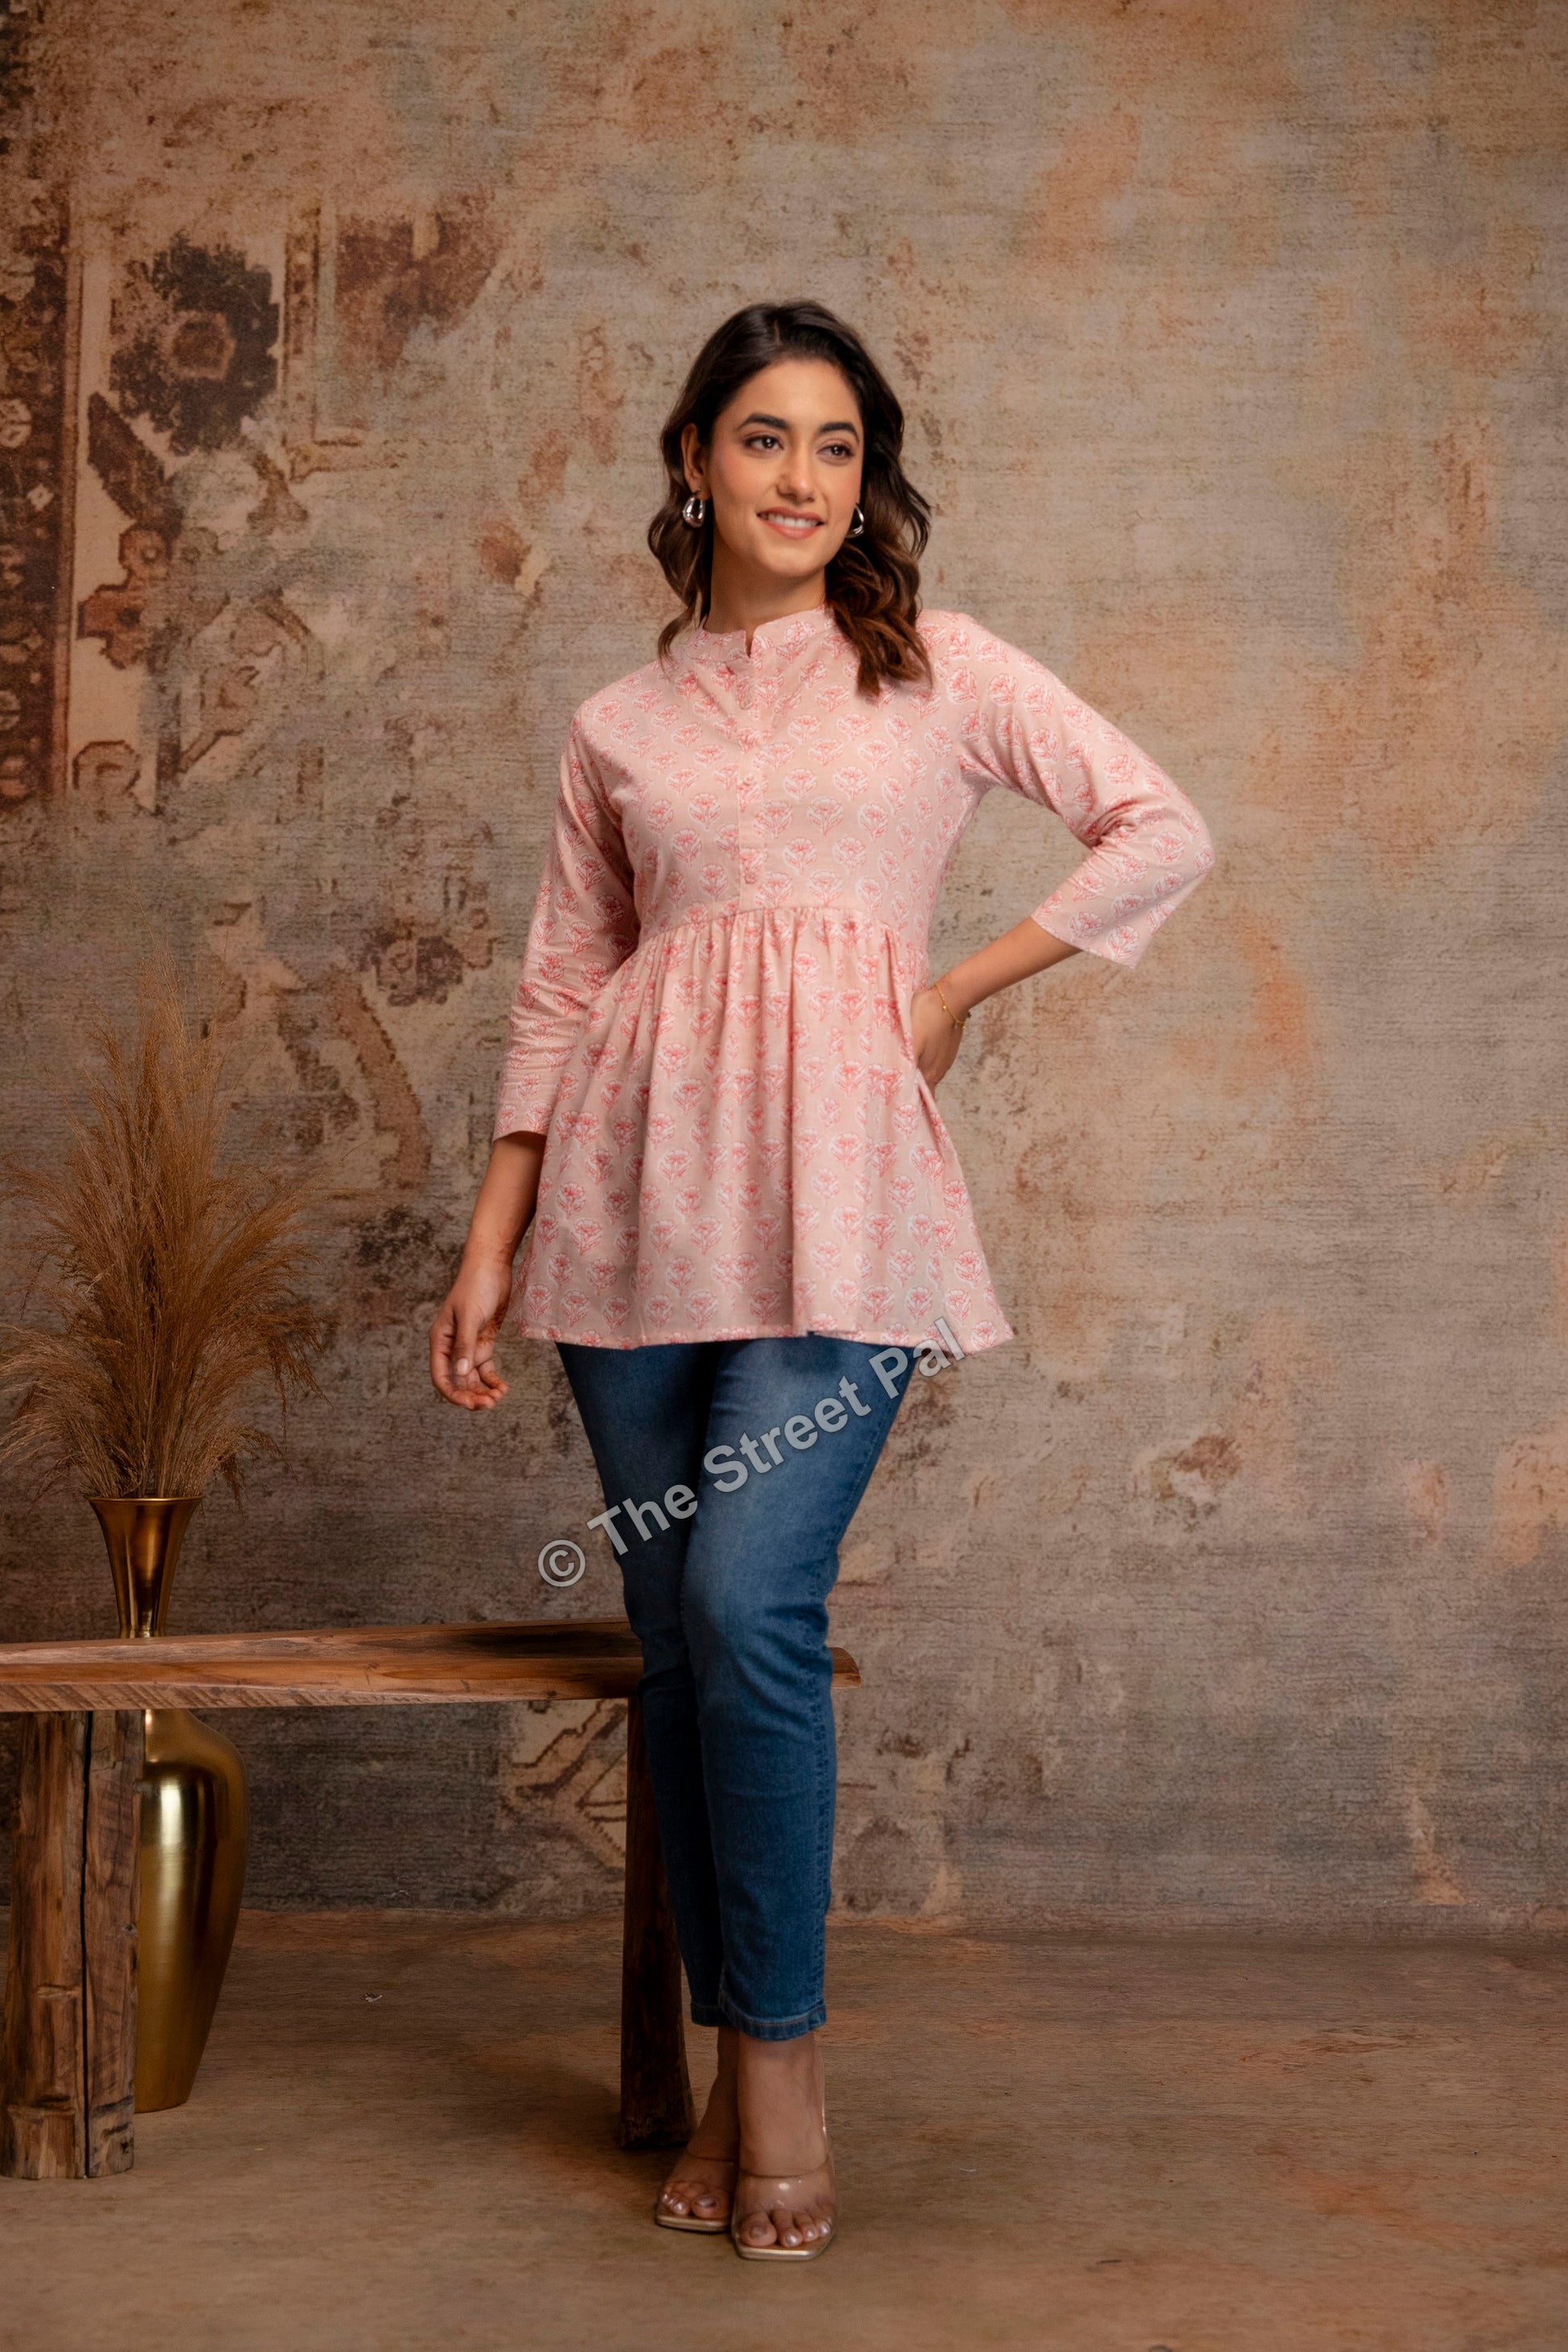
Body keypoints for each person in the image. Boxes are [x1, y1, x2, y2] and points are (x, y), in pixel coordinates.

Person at [429, 299, 1214, 2260]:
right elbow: (563, 982)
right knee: (675, 1641)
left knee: (743, 1599)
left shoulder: (936, 669)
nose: (802, 477)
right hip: (626, 1213)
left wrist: (954, 988)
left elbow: (1159, 824)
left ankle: (780, 2073)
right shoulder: (615, 726)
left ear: (870, 484)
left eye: (839, 446)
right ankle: (721, 2067)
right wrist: (492, 1235)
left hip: (843, 1208)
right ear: (694, 459)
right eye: (765, 436)